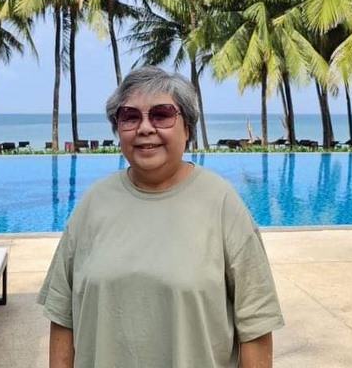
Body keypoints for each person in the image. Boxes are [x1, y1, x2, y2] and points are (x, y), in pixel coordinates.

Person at [38, 66, 284, 367]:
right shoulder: (93, 204)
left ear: (187, 128)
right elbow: (62, 318)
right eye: (130, 116)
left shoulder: (221, 204)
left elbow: (256, 326)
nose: (145, 128)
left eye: (161, 114)